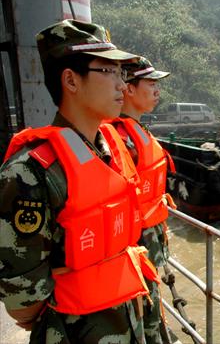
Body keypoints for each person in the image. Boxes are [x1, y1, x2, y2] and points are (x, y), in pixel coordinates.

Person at [0, 19, 160, 343]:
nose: (121, 85)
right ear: (71, 81)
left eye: (123, 73)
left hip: (131, 317)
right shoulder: (30, 172)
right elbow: (23, 299)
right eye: (109, 72)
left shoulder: (113, 149)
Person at [108, 56, 175, 344]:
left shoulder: (135, 132)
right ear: (129, 90)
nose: (157, 90)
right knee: (143, 313)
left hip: (148, 245)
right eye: (151, 83)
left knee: (150, 308)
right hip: (137, 247)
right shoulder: (120, 140)